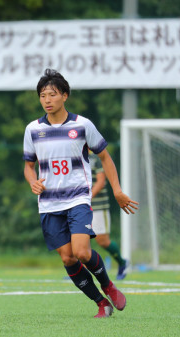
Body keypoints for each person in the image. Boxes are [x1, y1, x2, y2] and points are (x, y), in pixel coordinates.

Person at [23, 69, 138, 318]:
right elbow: (28, 166)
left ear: (65, 95)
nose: (47, 100)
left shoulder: (82, 125)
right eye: (42, 95)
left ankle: (108, 285)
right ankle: (101, 303)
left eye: (52, 94)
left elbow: (105, 158)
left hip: (78, 197)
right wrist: (33, 182)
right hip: (49, 203)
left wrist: (117, 191)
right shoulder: (32, 129)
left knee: (82, 252)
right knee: (67, 258)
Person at [89, 151, 129, 280]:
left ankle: (122, 262)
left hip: (98, 206)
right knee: (79, 237)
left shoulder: (96, 158)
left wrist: (86, 198)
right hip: (80, 206)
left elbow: (100, 182)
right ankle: (79, 270)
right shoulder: (75, 157)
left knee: (102, 240)